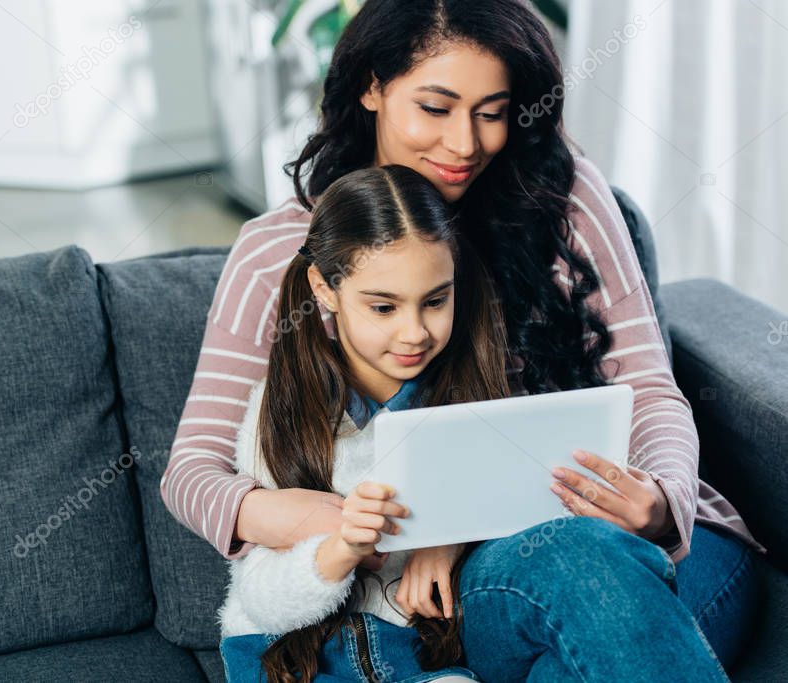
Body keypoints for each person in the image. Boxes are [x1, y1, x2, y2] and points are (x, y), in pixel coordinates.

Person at [163, 0, 765, 678]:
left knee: (577, 609)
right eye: (435, 107)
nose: (463, 144)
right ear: (370, 86)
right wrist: (315, 519)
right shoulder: (279, 252)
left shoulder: (563, 199)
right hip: (477, 585)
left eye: (491, 112)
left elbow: (650, 389)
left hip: (648, 544)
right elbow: (192, 471)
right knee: (572, 566)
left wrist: (659, 501)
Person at [219, 164, 505, 682]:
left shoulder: (469, 394)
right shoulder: (282, 407)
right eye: (383, 307)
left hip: (411, 649)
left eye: (436, 301)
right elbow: (262, 600)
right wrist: (341, 549)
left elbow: (516, 503)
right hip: (287, 655)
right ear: (325, 290)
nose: (414, 332)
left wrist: (449, 539)